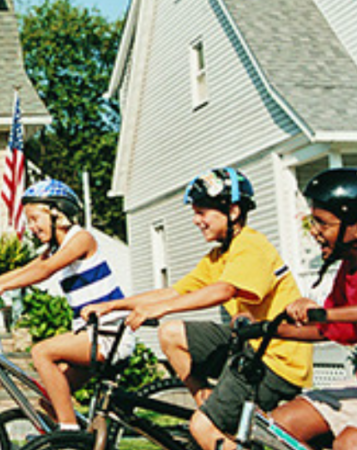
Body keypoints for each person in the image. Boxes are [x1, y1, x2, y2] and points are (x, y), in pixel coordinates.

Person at [82, 167, 313, 450]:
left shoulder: (251, 245)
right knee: (171, 334)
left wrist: (162, 308)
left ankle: (212, 425)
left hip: (276, 363)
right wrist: (112, 305)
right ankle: (207, 401)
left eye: (203, 212)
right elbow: (173, 291)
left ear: (233, 211)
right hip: (249, 348)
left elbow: (224, 290)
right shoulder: (219, 256)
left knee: (202, 428)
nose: (196, 220)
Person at [0, 178, 133, 431]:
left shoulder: (81, 238)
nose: (31, 227)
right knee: (50, 399)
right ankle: (86, 439)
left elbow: (46, 269)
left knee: (41, 352)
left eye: (35, 219)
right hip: (91, 334)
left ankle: (69, 435)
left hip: (109, 334)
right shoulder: (54, 248)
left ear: (57, 213)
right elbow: (26, 269)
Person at [270, 168, 357, 450]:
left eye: (322, 223)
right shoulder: (348, 268)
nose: (315, 232)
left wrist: (322, 312)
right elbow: (326, 329)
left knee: (348, 443)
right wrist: (266, 330)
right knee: (276, 426)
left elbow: (331, 316)